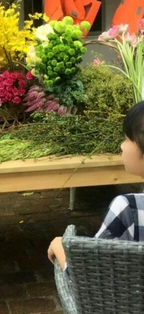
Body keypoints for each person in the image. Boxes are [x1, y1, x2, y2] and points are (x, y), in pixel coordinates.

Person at [47, 100, 144, 270]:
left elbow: (91, 274)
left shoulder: (130, 208)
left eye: (128, 139)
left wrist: (61, 247)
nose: (121, 146)